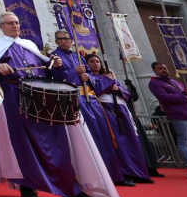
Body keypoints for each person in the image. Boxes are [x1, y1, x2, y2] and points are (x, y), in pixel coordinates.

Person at [0, 12, 118, 197]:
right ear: (1, 26)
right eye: (10, 23)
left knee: (58, 141)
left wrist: (57, 64)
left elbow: (50, 71)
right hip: (15, 97)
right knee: (24, 143)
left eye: (17, 22)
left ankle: (69, 187)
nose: (15, 26)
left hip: (44, 97)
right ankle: (28, 186)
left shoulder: (29, 45)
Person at [50, 31, 132, 187]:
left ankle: (114, 175)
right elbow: (56, 78)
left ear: (71, 40)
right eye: (60, 39)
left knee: (105, 135)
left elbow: (92, 76)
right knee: (90, 137)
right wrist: (75, 71)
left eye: (66, 38)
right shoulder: (54, 57)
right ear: (56, 41)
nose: (64, 41)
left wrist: (89, 77)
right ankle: (93, 177)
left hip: (91, 99)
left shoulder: (79, 56)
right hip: (73, 99)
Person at [81, 54, 154, 184]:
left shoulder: (108, 77)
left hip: (122, 110)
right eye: (92, 61)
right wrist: (109, 84)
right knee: (117, 143)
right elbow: (96, 89)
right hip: (106, 110)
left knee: (131, 141)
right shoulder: (88, 77)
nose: (96, 64)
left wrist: (116, 87)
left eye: (97, 61)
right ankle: (123, 172)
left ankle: (137, 172)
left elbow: (127, 93)